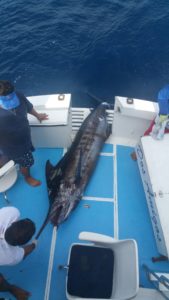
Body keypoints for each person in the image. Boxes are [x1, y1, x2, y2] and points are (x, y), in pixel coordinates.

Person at [0, 80, 48, 187]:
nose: (12, 106)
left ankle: (26, 176)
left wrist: (38, 115)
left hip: (24, 142)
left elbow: (28, 107)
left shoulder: (18, 95)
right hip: (11, 147)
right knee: (26, 162)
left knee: (11, 159)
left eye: (11, 98)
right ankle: (28, 177)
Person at [0, 206, 37, 299]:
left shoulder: (10, 213)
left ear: (13, 223)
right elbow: (24, 253)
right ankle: (11, 289)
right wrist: (33, 245)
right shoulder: (11, 256)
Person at [131, 84, 169, 160]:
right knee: (151, 134)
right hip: (164, 119)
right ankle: (139, 152)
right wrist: (164, 114)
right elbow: (162, 95)